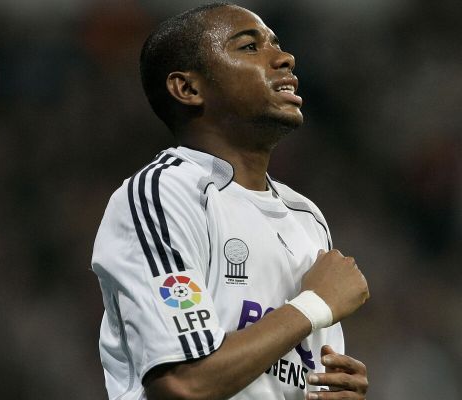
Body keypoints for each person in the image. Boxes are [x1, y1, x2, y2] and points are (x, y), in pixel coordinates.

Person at [91, 3, 370, 399]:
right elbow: (183, 384)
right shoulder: (164, 194)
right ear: (188, 88)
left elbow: (294, 372)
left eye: (276, 43)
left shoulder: (307, 218)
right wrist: (313, 304)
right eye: (250, 47)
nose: (285, 58)